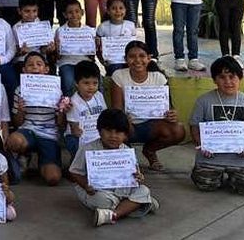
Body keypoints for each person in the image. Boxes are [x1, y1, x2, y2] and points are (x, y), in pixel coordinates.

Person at [69, 109, 159, 227]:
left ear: (126, 135)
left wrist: (139, 177)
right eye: (108, 131)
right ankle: (136, 204)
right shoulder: (87, 149)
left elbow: (135, 174)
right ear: (99, 131)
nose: (113, 136)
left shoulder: (126, 151)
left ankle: (113, 215)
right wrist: (86, 185)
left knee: (144, 189)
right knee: (103, 200)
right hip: (96, 191)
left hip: (122, 190)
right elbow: (74, 172)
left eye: (118, 132)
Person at [190, 56, 244, 195]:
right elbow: (194, 127)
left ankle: (233, 177)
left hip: (241, 158)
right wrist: (203, 144)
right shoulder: (203, 101)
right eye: (222, 77)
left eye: (232, 76)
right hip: (210, 157)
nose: (228, 81)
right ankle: (218, 176)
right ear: (214, 80)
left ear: (240, 78)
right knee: (205, 184)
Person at [110, 41, 185, 171]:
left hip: (152, 125)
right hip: (128, 126)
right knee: (116, 128)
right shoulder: (119, 75)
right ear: (125, 59)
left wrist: (172, 115)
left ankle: (149, 151)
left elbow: (169, 108)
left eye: (142, 56)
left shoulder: (158, 77)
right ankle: (125, 158)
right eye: (132, 56)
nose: (137, 60)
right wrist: (125, 121)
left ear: (149, 58)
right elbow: (117, 109)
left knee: (178, 130)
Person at [7, 52, 65, 186]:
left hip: (49, 135)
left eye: (39, 64)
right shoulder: (20, 90)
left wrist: (61, 111)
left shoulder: (56, 90)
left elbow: (60, 124)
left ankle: (43, 162)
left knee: (53, 178)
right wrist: (21, 110)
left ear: (46, 69)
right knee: (14, 141)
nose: (34, 68)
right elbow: (17, 123)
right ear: (24, 70)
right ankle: (24, 155)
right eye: (30, 65)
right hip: (28, 131)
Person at [64, 60, 107, 157]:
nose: (91, 87)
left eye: (95, 83)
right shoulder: (73, 101)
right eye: (86, 83)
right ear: (76, 83)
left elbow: (104, 115)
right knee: (77, 145)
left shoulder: (99, 96)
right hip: (79, 134)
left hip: (96, 132)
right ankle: (77, 163)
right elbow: (75, 128)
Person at [54, 0, 96, 96]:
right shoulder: (60, 31)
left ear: (82, 12)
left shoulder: (89, 31)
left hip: (85, 62)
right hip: (66, 62)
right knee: (68, 82)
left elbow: (92, 56)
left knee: (96, 81)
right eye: (70, 12)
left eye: (77, 11)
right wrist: (57, 48)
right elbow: (58, 56)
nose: (74, 15)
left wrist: (96, 46)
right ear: (64, 15)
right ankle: (67, 105)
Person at [96, 0, 136, 75]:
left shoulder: (131, 25)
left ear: (125, 10)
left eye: (121, 8)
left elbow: (134, 45)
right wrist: (102, 61)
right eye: (113, 8)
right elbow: (97, 48)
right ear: (108, 11)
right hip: (113, 61)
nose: (118, 11)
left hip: (129, 60)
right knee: (117, 71)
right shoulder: (103, 27)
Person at [12, 0, 55, 69]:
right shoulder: (16, 28)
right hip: (22, 60)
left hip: (40, 59)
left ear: (38, 10)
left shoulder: (42, 25)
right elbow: (13, 51)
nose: (31, 15)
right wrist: (20, 52)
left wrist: (48, 49)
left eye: (34, 11)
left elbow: (43, 50)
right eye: (27, 11)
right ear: (19, 11)